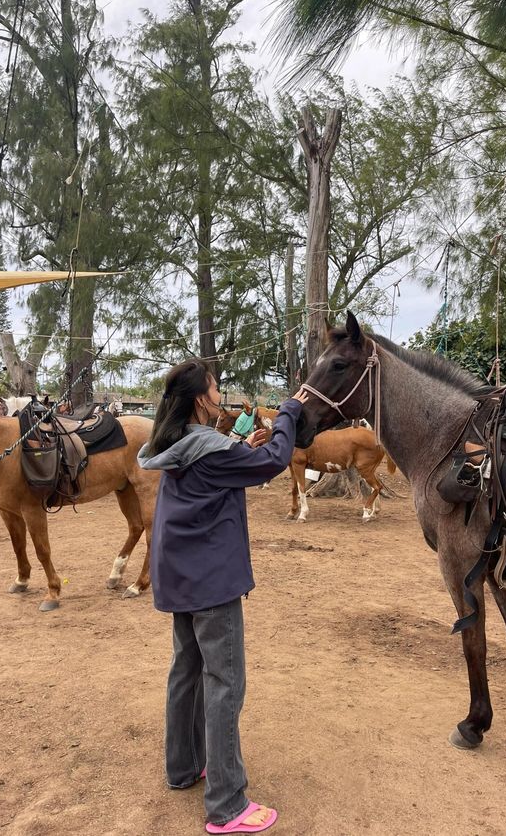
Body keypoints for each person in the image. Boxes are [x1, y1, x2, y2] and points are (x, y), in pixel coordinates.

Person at [137, 358, 307, 835]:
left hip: (180, 576)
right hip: (212, 580)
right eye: (215, 386)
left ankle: (184, 767)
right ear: (201, 399)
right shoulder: (209, 447)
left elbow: (235, 467)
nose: (220, 392)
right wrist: (288, 412)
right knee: (224, 683)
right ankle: (228, 805)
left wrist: (244, 447)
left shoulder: (174, 444)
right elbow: (274, 462)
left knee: (186, 672)